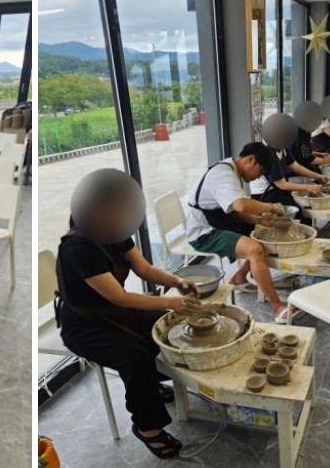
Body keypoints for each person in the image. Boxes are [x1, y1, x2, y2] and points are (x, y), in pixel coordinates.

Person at [56, 169, 203, 459]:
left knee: (163, 326)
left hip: (114, 313)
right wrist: (169, 301)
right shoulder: (78, 247)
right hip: (85, 326)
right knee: (134, 357)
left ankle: (149, 386)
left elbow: (144, 268)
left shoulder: (114, 231)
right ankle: (147, 427)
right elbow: (119, 297)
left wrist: (178, 282)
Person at [185, 142, 299, 324]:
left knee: (261, 235)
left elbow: (235, 210)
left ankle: (238, 277)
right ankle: (278, 308)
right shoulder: (223, 174)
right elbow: (241, 205)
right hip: (203, 233)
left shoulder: (231, 171)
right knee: (254, 249)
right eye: (260, 172)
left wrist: (258, 221)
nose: (258, 177)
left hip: (219, 223)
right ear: (251, 159)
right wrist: (273, 207)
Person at [250, 144, 329, 207]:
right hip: (263, 194)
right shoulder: (270, 153)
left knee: (299, 203)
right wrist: (308, 187)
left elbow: (296, 167)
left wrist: (318, 176)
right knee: (295, 208)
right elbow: (282, 185)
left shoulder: (283, 149)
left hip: (276, 187)